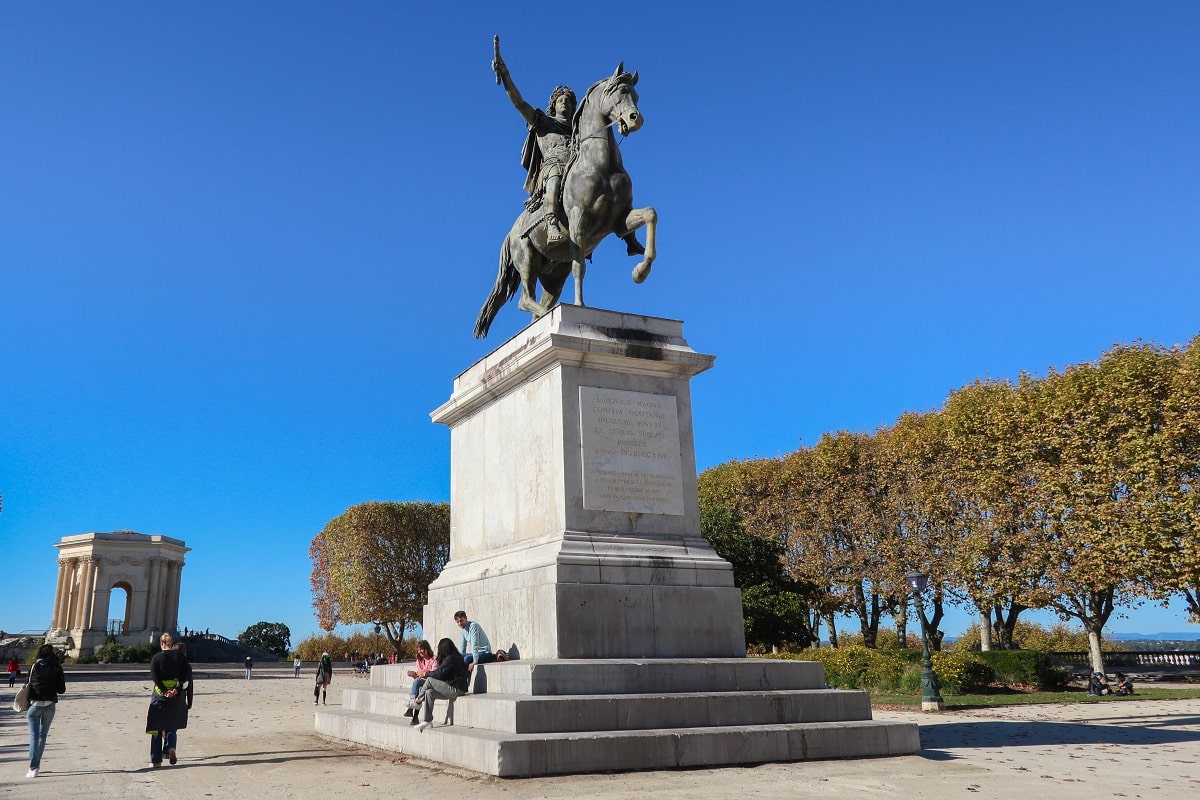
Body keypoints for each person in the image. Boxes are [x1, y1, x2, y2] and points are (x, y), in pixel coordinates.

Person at [146, 632, 193, 768]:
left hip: (160, 695)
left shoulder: (156, 658)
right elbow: (186, 677)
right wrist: (175, 690)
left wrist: (165, 691)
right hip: (176, 696)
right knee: (171, 724)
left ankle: (156, 760)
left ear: (161, 643)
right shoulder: (181, 658)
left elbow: (155, 677)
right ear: (172, 644)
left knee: (155, 728)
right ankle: (170, 747)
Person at [407, 638, 470, 731]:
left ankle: (417, 702)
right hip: (452, 687)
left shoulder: (451, 658)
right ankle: (428, 721)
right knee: (429, 693)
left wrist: (425, 674)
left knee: (429, 680)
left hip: (456, 689)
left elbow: (439, 674)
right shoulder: (453, 657)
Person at [25, 643, 66, 778]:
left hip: (34, 706)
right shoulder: (57, 667)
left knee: (34, 737)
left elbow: (27, 684)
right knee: (42, 737)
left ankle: (33, 767)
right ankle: (36, 766)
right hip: (49, 706)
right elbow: (61, 690)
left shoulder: (34, 666)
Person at [403, 640, 437, 720]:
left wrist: (423, 674)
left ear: (427, 649)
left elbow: (434, 675)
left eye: (421, 649)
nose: (420, 651)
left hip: (431, 682)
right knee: (419, 688)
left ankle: (411, 707)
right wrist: (414, 675)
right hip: (422, 683)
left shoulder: (434, 659)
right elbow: (419, 677)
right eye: (418, 649)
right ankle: (415, 717)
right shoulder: (419, 661)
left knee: (418, 683)